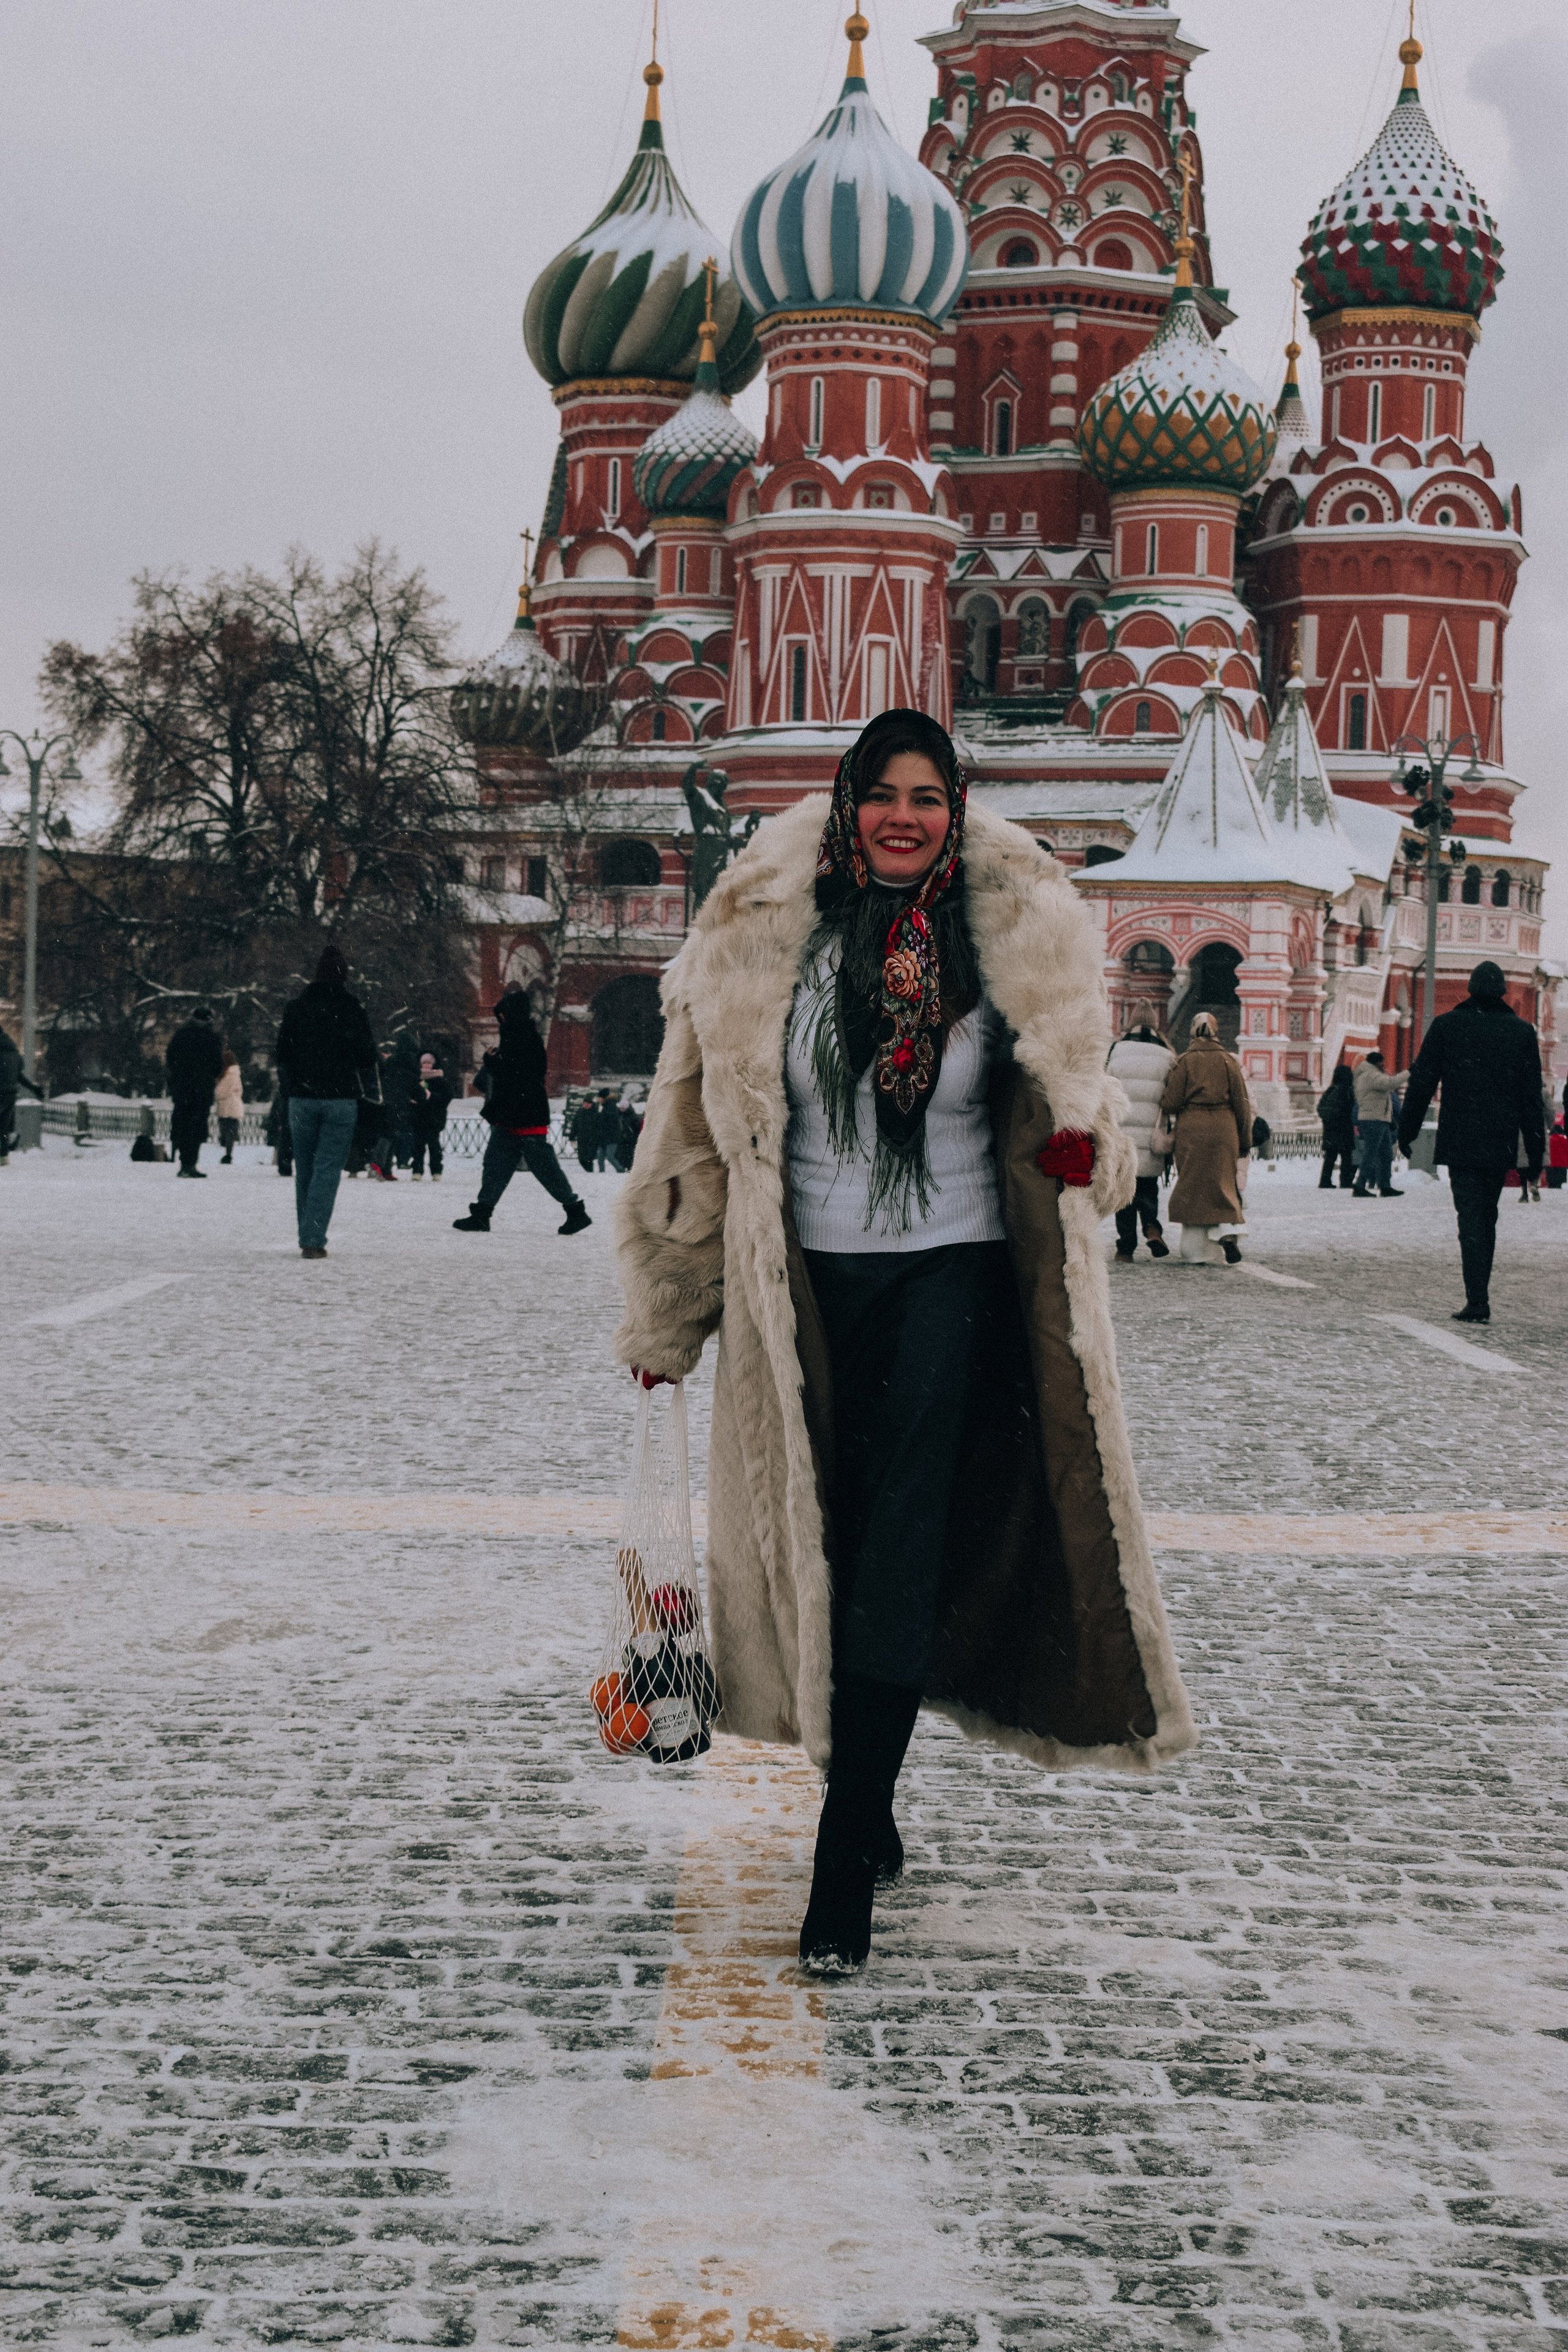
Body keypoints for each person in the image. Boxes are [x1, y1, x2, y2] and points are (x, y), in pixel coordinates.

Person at [614, 708, 1194, 1978]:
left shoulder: (1008, 940)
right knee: (825, 1543)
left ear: (954, 809)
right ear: (843, 801)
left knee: (898, 1551)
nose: (901, 816)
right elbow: (693, 1136)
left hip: (954, 1283)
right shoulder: (766, 940)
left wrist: (1080, 1150)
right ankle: (868, 1794)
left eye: (926, 796)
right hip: (805, 1292)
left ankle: (838, 1858)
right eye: (880, 792)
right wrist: (668, 1312)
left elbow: (1076, 1108)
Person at [1396, 960, 1545, 1323]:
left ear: (1470, 989)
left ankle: (1477, 1299)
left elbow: (1422, 1081)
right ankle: (1479, 1295)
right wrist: (1536, 1154)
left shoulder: (1448, 1026)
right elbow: (1531, 1099)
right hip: (1498, 1140)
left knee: (1470, 1216)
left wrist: (1407, 1129)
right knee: (1487, 1215)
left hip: (1461, 1137)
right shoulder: (1522, 1033)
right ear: (1503, 993)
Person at [453, 987, 591, 1235]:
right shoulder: (521, 1035)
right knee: (499, 1164)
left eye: (503, 1015)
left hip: (523, 1112)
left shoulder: (522, 1036)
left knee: (538, 1166)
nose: (500, 1019)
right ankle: (482, 1213)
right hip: (516, 1112)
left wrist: (493, 1062)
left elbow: (522, 1075)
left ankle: (575, 1211)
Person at [274, 945, 379, 1258]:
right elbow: (366, 1057)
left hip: (302, 1097)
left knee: (305, 1167)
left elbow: (282, 1054)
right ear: (345, 977)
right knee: (328, 1168)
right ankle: (313, 1237)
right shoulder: (352, 1009)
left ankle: (308, 1235)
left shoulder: (296, 1008)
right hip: (340, 1098)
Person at [1158, 1013, 1251, 1264]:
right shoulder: (1228, 1061)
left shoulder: (1184, 1062)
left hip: (1193, 1129)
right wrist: (1245, 1140)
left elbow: (1171, 1103)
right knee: (1223, 1183)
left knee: (1193, 1182)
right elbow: (1242, 1105)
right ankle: (1226, 1232)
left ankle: (1195, 1246)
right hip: (1224, 1129)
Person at [1106, 1020, 1174, 1262]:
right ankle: (1152, 1228)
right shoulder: (1166, 1055)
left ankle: (1125, 1248)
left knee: (1123, 1193)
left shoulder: (1116, 1052)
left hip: (1122, 1135)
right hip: (1151, 1136)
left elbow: (1105, 1090)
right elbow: (1172, 1095)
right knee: (1147, 1188)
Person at [165, 1006, 225, 1178]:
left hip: (182, 1088)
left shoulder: (181, 1035)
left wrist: (177, 1078)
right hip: (202, 1089)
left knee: (182, 1124)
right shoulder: (212, 1038)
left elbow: (170, 1059)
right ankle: (191, 1163)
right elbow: (217, 1066)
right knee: (197, 1126)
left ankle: (183, 1162)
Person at [1351, 1050, 1403, 1198]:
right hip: (1373, 1119)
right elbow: (1391, 1083)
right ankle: (1360, 1185)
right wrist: (1409, 1073)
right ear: (1376, 1063)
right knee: (1371, 1153)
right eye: (1382, 1063)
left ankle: (1385, 1185)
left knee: (1386, 1153)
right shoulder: (1370, 1075)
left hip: (1380, 1119)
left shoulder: (1369, 1074)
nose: (1384, 1065)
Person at [409, 1052, 451, 1180]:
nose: (426, 1066)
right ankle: (417, 1170)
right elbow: (410, 1094)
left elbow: (447, 1097)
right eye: (424, 1063)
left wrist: (431, 1096)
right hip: (419, 1117)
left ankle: (436, 1171)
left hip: (434, 1118)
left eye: (429, 1063)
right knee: (418, 1147)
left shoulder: (439, 1079)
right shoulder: (416, 1078)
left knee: (434, 1147)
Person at [1316, 1063, 1356, 1189]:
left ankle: (1325, 1180)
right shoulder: (1348, 1091)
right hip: (1344, 1129)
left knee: (1330, 1158)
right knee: (1347, 1157)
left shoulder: (1330, 1090)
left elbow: (1320, 1108)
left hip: (1330, 1130)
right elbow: (1351, 1109)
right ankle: (1345, 1181)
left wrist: (1329, 1120)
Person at [214, 1049, 243, 1164]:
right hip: (232, 1105)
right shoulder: (234, 1073)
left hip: (229, 1106)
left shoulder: (230, 1074)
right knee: (229, 1131)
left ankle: (228, 1155)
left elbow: (222, 1091)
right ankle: (228, 1154)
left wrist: (215, 1093)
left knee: (228, 1131)